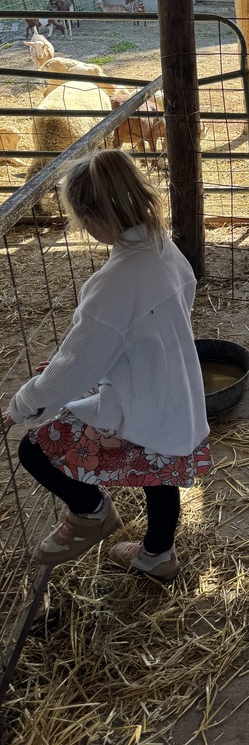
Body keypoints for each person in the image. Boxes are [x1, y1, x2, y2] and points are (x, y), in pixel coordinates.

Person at [1, 150, 211, 582]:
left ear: (92, 219)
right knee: (161, 472)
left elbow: (73, 366)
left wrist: (22, 406)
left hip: (136, 400)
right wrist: (102, 366)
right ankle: (157, 554)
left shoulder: (110, 286)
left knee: (34, 448)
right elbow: (151, 326)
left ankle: (91, 511)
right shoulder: (163, 248)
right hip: (177, 390)